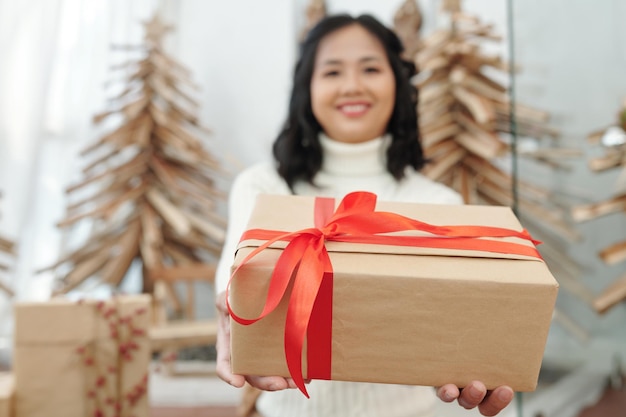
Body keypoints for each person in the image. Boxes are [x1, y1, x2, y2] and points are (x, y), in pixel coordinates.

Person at [214, 13, 515, 417]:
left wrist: (483, 361)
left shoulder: (437, 206)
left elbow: (461, 329)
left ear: (398, 83)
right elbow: (235, 294)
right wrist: (232, 316)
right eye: (333, 71)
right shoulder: (265, 189)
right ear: (307, 87)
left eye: (370, 69)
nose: (352, 86)